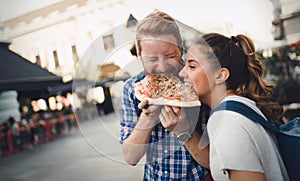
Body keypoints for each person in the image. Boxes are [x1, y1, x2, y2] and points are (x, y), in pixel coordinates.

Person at [175, 32, 289, 180]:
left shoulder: (227, 122)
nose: (182, 73)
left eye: (192, 66)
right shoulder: (239, 106)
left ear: (220, 75)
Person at [120, 10, 209, 180]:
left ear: (181, 50)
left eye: (169, 56)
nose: (162, 67)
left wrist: (184, 130)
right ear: (140, 55)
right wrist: (147, 118)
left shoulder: (198, 81)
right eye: (152, 59)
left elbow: (213, 161)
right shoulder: (132, 88)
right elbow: (131, 157)